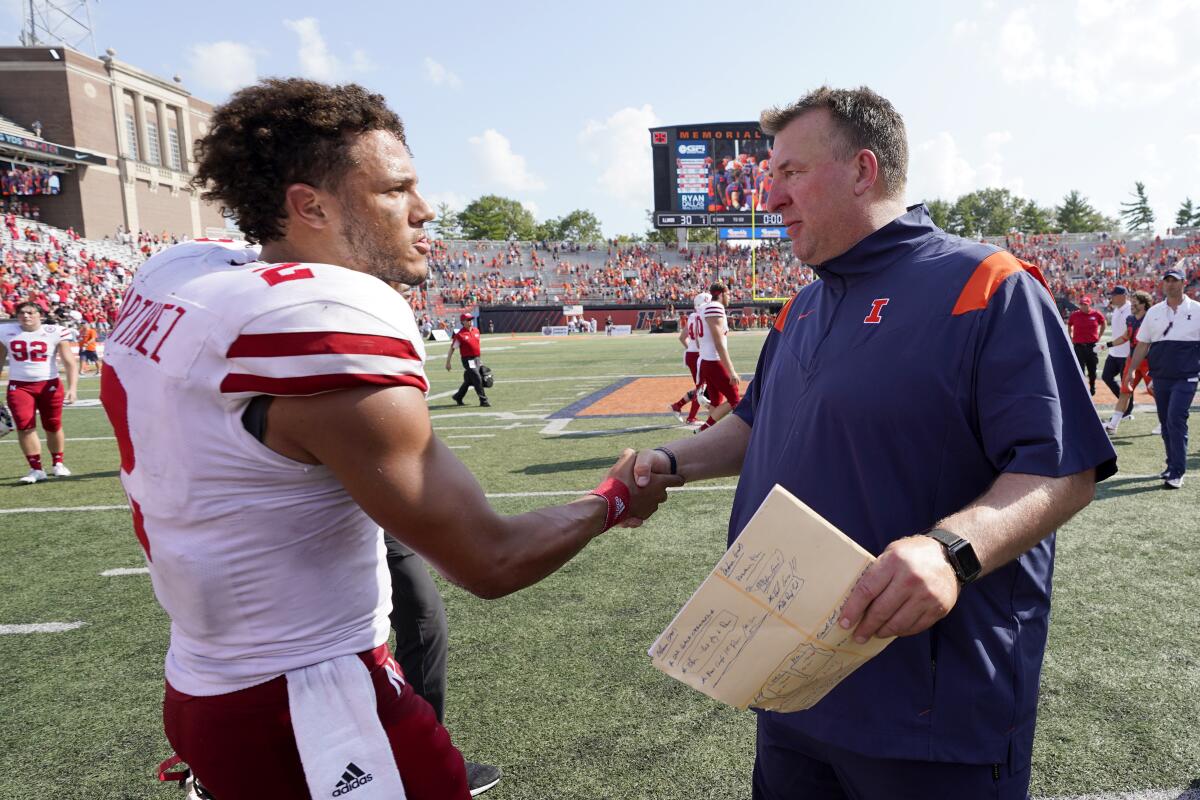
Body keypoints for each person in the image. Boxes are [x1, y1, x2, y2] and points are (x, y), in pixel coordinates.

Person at [100, 78, 680, 800]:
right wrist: (613, 501)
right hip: (309, 699)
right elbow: (489, 559)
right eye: (395, 189)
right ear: (310, 205)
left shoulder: (182, 273)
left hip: (203, 679)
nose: (425, 210)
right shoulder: (320, 318)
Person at [631, 86, 1115, 799]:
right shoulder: (803, 304)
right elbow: (754, 424)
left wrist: (952, 550)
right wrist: (669, 463)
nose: (770, 200)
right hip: (793, 687)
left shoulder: (985, 283)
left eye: (790, 174)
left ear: (863, 170)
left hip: (928, 718)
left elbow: (1062, 469)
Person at [1123, 266, 1200, 489]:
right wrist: (1130, 372)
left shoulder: (1197, 309)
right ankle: (1171, 464)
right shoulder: (1154, 312)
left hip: (1186, 376)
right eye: (1167, 280)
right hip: (1161, 376)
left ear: (1184, 283)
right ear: (1162, 284)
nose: (1170, 284)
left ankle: (1177, 471)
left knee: (1176, 419)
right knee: (1166, 422)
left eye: (1174, 280)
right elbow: (1143, 344)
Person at [0, 300, 79, 483]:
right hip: (19, 386)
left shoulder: (54, 332)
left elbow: (69, 362)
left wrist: (72, 388)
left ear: (40, 315)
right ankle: (36, 468)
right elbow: (0, 359)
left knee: (52, 425)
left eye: (30, 313)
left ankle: (58, 463)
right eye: (22, 313)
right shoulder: (6, 332)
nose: (25, 316)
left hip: (49, 384)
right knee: (24, 426)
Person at [1100, 290, 1154, 434]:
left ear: (1143, 304)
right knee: (1125, 392)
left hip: (1149, 361)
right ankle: (1113, 425)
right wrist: (1107, 345)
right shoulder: (1130, 319)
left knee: (1155, 390)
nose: (1132, 304)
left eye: (1135, 302)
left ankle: (1165, 422)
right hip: (1132, 360)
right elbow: (1125, 337)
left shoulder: (1151, 318)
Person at [695, 281, 739, 432]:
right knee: (735, 400)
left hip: (706, 360)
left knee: (716, 402)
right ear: (720, 294)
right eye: (727, 294)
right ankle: (704, 430)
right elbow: (719, 343)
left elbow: (698, 340)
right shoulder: (715, 307)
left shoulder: (703, 309)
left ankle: (707, 434)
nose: (729, 297)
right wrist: (731, 370)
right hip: (714, 361)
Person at [668, 292, 709, 425]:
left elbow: (682, 337)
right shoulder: (702, 316)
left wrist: (689, 349)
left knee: (702, 387)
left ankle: (678, 406)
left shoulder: (692, 316)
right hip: (698, 355)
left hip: (692, 354)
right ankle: (690, 417)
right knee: (701, 388)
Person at [447, 313, 489, 407]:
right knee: (477, 378)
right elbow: (452, 348)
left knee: (469, 380)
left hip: (477, 358)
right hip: (468, 359)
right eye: (468, 320)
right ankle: (483, 400)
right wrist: (448, 362)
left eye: (471, 319)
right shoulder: (460, 335)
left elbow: (476, 346)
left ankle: (458, 397)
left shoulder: (476, 331)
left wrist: (479, 360)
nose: (470, 321)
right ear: (463, 322)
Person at [1100, 286, 1130, 415]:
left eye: (1114, 295)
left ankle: (1127, 411)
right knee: (1106, 376)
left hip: (1126, 353)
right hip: (1114, 352)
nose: (1111, 298)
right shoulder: (1118, 309)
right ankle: (1124, 405)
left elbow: (1128, 334)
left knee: (1126, 385)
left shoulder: (1130, 309)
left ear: (1123, 296)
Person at [1067, 296, 1105, 395]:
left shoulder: (1096, 314)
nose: (1083, 306)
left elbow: (1103, 323)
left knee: (1092, 370)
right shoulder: (1075, 315)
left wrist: (1100, 335)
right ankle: (1082, 389)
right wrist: (1070, 336)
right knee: (1080, 369)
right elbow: (1069, 324)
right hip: (1079, 346)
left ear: (1089, 305)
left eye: (1085, 304)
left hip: (1092, 346)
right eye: (1081, 304)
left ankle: (1092, 386)